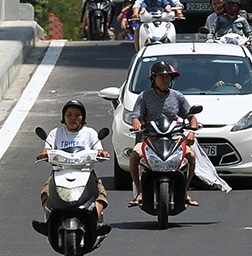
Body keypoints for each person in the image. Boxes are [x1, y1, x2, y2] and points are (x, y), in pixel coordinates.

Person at [128, 59, 200, 206]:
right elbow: (136, 116)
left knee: (191, 156)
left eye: (168, 77)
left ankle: (184, 191)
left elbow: (192, 117)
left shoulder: (178, 96)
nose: (165, 80)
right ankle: (140, 192)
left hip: (174, 138)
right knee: (134, 156)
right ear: (153, 79)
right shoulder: (144, 96)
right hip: (150, 138)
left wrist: (192, 133)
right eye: (161, 77)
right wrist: (136, 123)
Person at [38, 98, 111, 229]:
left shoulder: (90, 133)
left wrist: (102, 154)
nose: (73, 118)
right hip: (60, 172)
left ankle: (95, 221)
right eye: (69, 115)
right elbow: (47, 149)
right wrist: (44, 153)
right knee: (46, 193)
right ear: (63, 117)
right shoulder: (56, 133)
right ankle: (48, 223)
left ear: (83, 117)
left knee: (101, 194)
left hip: (85, 172)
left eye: (77, 115)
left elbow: (99, 150)